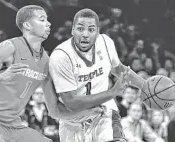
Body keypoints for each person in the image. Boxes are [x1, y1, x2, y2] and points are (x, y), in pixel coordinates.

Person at [0, 5, 102, 142]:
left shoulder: (46, 62)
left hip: (12, 125)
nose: (49, 24)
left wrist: (88, 113)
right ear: (27, 25)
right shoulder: (9, 47)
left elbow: (54, 111)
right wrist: (0, 77)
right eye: (42, 20)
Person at [49, 8, 147, 142]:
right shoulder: (61, 57)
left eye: (91, 29)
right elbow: (71, 102)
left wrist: (146, 86)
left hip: (104, 113)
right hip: (72, 122)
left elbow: (118, 69)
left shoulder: (106, 43)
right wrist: (113, 92)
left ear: (97, 32)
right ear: (72, 30)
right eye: (80, 28)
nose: (85, 34)